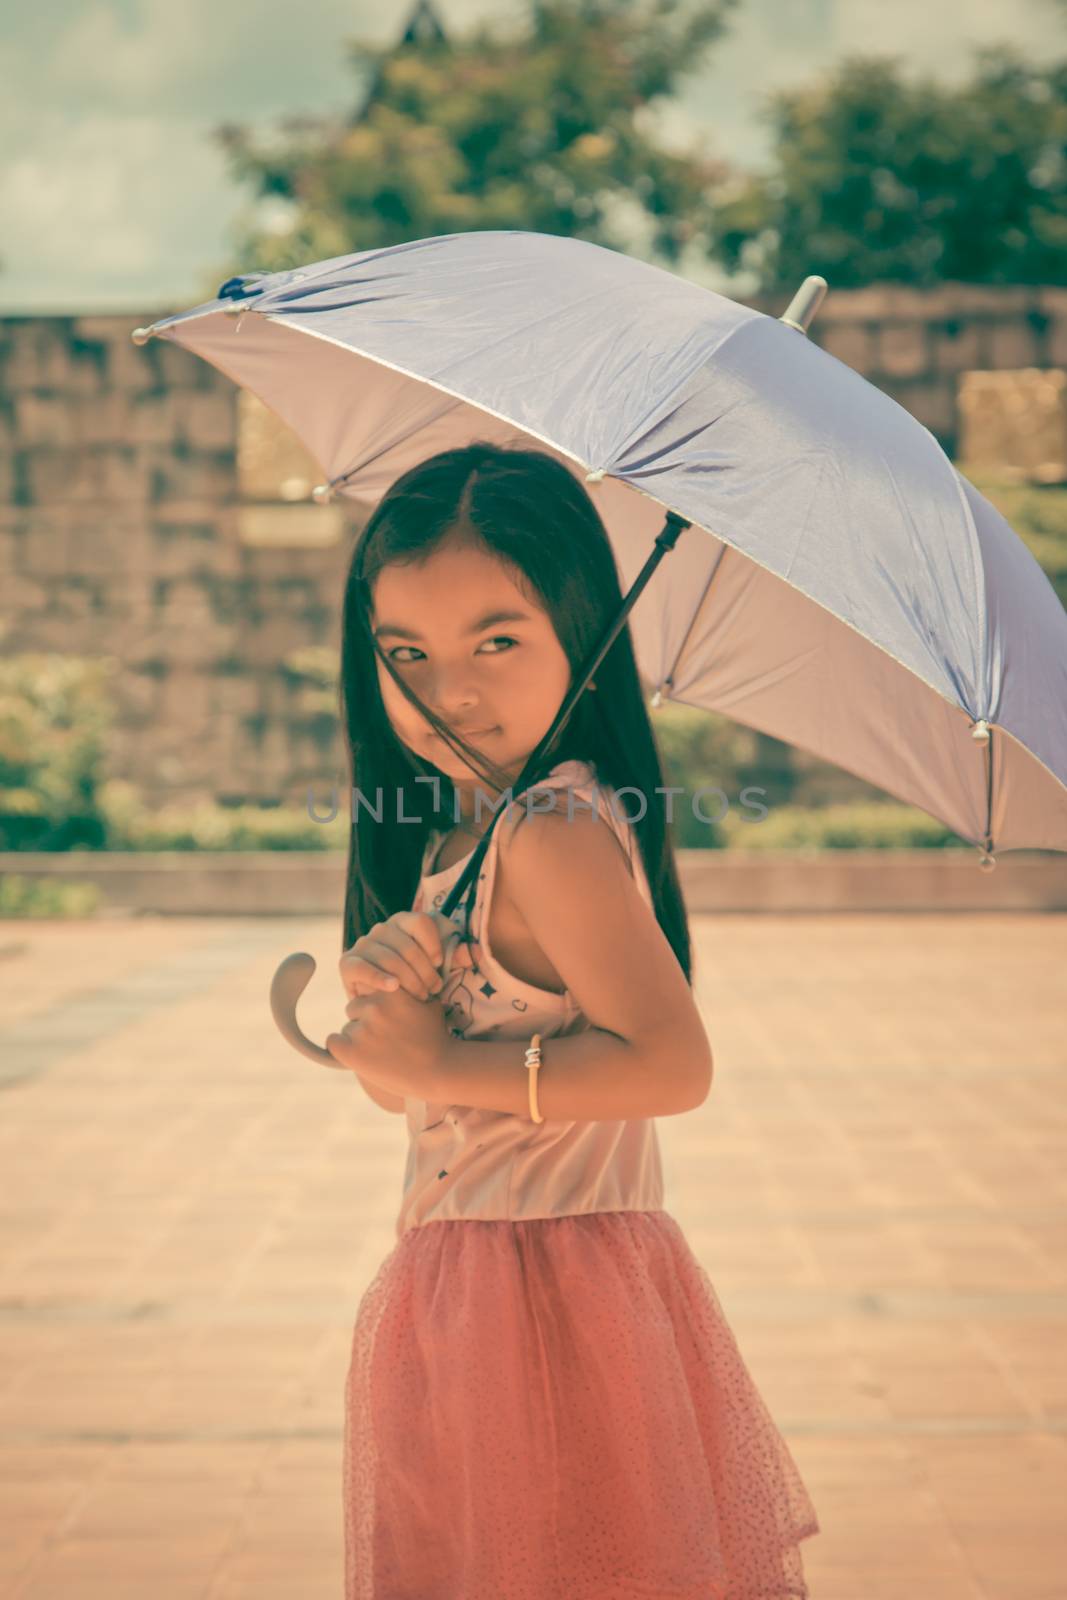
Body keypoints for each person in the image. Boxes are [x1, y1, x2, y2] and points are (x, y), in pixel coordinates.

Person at [325, 441, 820, 1600]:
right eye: (406, 653)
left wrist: (437, 1051)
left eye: (497, 640)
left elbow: (670, 1062)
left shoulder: (549, 832)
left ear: (580, 631)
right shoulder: (461, 843)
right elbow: (414, 1091)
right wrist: (389, 1019)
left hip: (546, 1297)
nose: (449, 690)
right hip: (469, 1282)